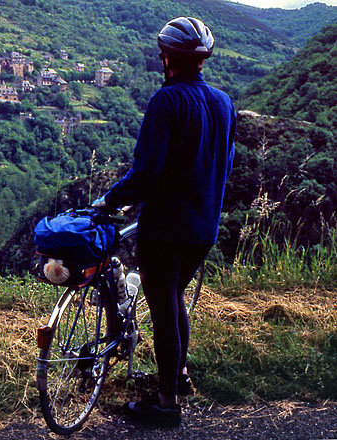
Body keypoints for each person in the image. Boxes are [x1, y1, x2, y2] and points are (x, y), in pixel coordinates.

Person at [94, 17, 236, 426]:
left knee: (162, 306)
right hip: (203, 226)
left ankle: (166, 404)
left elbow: (146, 174)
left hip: (166, 226)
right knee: (174, 299)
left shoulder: (166, 101)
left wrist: (108, 200)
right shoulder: (223, 102)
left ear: (167, 58)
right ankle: (181, 376)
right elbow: (225, 166)